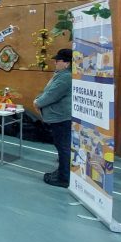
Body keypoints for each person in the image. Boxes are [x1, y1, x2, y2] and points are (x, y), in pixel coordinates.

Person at [34, 48, 73, 188]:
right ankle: (63, 171)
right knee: (62, 146)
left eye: (58, 60)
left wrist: (37, 102)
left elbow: (52, 94)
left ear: (67, 63)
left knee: (63, 147)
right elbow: (48, 92)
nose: (55, 62)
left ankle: (64, 178)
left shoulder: (66, 77)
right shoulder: (62, 75)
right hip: (60, 117)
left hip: (61, 118)